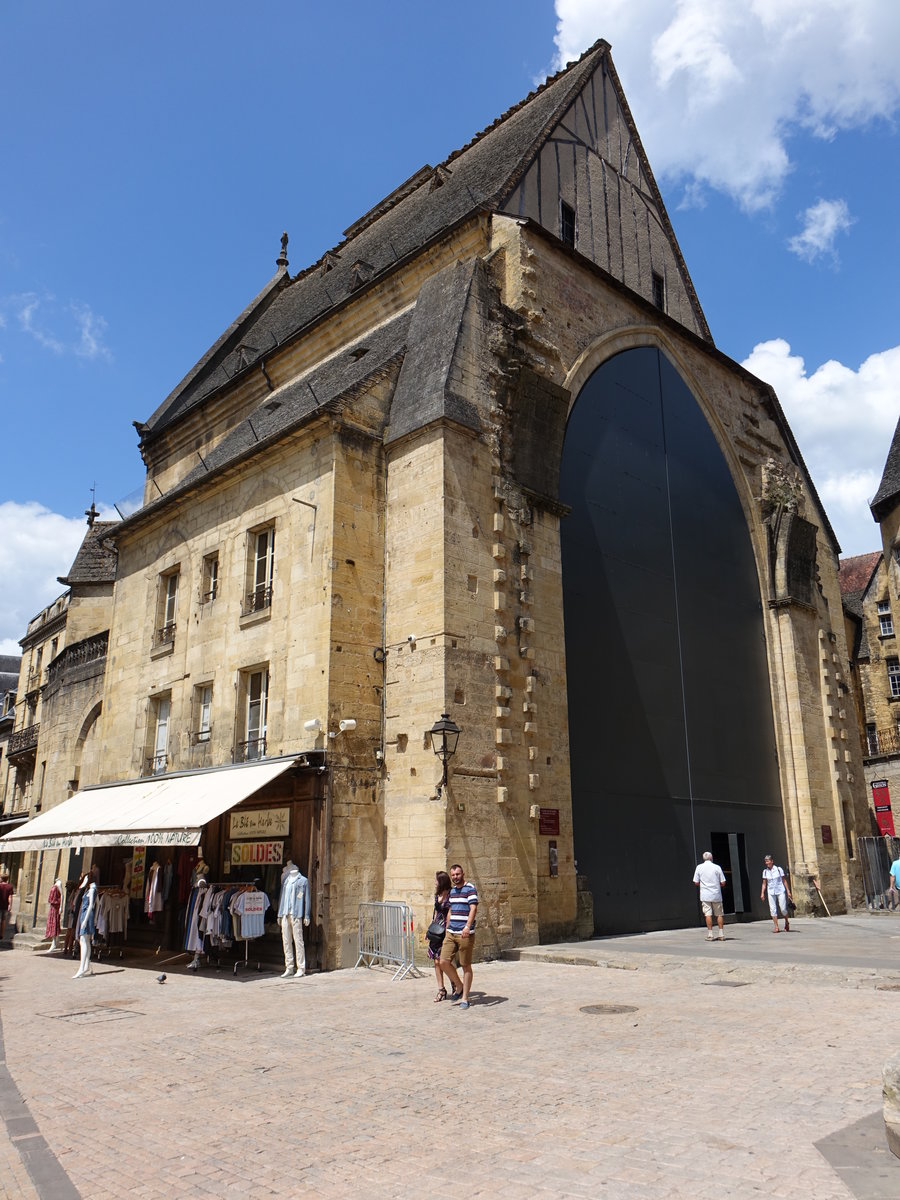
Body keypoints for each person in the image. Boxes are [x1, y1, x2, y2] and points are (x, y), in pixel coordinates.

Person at [439, 864, 478, 1009]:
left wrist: (467, 926)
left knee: (465, 965)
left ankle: (465, 998)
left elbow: (473, 908)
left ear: (463, 874)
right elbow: (450, 910)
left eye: (457, 874)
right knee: (443, 961)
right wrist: (447, 929)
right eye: (453, 875)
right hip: (451, 932)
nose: (455, 877)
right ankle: (459, 985)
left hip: (464, 934)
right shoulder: (452, 891)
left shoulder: (470, 888)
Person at [277, 860, 310, 978]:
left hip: (296, 914)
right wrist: (280, 914)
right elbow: (282, 898)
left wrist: (306, 915)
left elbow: (307, 899)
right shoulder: (286, 881)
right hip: (285, 913)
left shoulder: (303, 881)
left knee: (298, 941)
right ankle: (289, 966)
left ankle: (301, 967)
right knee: (286, 941)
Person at [693, 851, 726, 942]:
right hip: (716, 894)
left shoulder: (699, 867)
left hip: (705, 894)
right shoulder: (717, 867)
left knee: (708, 914)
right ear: (711, 858)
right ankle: (721, 934)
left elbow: (696, 882)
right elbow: (723, 882)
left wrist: (703, 885)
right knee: (719, 914)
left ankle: (710, 934)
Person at [429, 870, 451, 1002]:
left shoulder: (450, 895)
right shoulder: (437, 895)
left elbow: (449, 914)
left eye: (436, 880)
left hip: (445, 930)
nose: (434, 882)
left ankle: (455, 984)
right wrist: (430, 931)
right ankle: (441, 989)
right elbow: (436, 913)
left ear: (441, 881)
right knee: (436, 962)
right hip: (436, 930)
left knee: (444, 962)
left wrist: (448, 931)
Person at [761, 854, 793, 932]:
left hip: (780, 890)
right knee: (773, 909)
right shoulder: (765, 872)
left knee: (783, 909)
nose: (767, 863)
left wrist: (788, 891)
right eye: (766, 861)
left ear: (772, 861)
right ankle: (776, 927)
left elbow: (784, 880)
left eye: (768, 861)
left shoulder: (778, 869)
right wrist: (762, 893)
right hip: (771, 892)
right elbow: (764, 883)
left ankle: (786, 921)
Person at [73, 878, 98, 978]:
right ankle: (86, 965)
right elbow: (98, 904)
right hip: (87, 915)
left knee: (83, 941)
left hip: (86, 915)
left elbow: (92, 905)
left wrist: (85, 920)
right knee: (86, 941)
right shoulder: (94, 889)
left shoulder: (92, 890)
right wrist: (95, 918)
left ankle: (81, 968)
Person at [44, 878, 63, 951]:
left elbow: (62, 895)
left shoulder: (59, 884)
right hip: (52, 907)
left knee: (55, 923)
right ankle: (56, 942)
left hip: (56, 907)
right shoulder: (55, 884)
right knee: (52, 923)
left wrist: (61, 906)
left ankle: (54, 943)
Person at [0, 868, 13, 941]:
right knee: (3, 920)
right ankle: (1, 934)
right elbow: (10, 897)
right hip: (5, 905)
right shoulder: (10, 886)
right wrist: (10, 905)